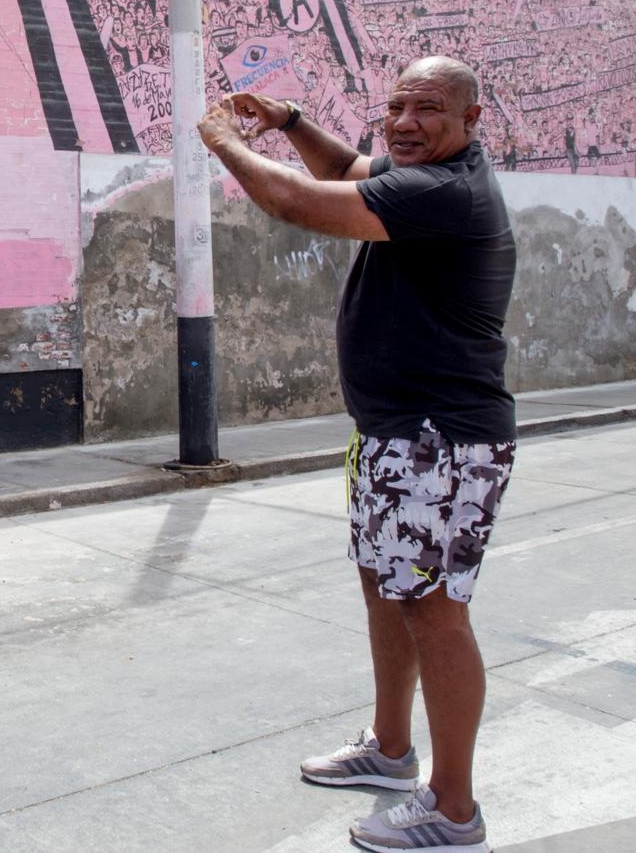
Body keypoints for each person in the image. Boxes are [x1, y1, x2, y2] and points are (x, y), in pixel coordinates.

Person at [197, 56, 516, 853]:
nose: (406, 121)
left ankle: (453, 808)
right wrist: (291, 121)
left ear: (472, 120)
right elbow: (343, 167)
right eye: (397, 105)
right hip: (392, 433)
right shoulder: (420, 173)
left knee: (433, 609)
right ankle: (392, 750)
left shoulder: (445, 193)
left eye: (430, 109)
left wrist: (224, 143)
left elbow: (296, 199)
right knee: (387, 589)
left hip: (438, 438)